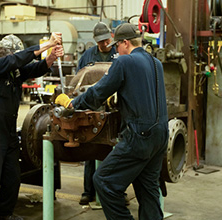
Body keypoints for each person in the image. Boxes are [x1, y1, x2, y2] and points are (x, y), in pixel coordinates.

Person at [56, 23, 168, 220]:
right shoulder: (156, 63)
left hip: (139, 136)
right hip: (160, 136)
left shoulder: (124, 62)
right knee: (148, 191)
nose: (116, 49)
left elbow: (98, 92)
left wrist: (74, 104)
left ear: (125, 42)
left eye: (118, 45)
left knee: (103, 181)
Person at [0, 33, 64, 220]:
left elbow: (34, 69)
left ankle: (4, 216)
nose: (18, 59)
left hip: (8, 135)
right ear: (6, 53)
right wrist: (47, 45)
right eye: (15, 55)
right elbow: (17, 59)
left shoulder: (15, 72)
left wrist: (51, 58)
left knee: (12, 180)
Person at [75, 21, 120, 206]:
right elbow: (78, 79)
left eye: (106, 39)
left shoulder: (118, 54)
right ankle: (88, 191)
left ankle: (116, 192)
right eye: (100, 41)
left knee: (115, 153)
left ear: (111, 36)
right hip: (92, 109)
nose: (104, 43)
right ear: (95, 41)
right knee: (90, 150)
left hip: (114, 109)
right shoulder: (88, 55)